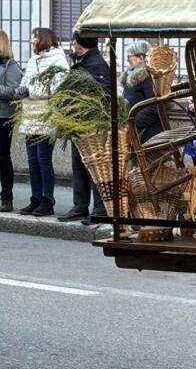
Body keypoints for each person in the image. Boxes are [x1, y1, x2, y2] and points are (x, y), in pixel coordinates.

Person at [59, 31, 113, 224]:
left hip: (91, 126)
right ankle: (79, 206)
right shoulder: (82, 62)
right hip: (78, 125)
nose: (72, 44)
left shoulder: (97, 64)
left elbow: (104, 96)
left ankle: (100, 210)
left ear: (80, 43)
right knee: (79, 166)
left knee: (95, 168)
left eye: (74, 40)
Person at [18, 28, 69, 217]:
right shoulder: (32, 61)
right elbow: (26, 81)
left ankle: (48, 200)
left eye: (35, 37)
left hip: (47, 114)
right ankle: (36, 198)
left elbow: (57, 88)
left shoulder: (58, 59)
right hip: (30, 114)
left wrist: (31, 91)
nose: (32, 41)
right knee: (32, 160)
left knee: (43, 159)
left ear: (44, 39)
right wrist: (21, 90)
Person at [0, 30, 28, 212]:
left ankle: (7, 198)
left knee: (2, 158)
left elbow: (13, 92)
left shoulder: (10, 65)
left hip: (3, 116)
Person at [121, 41, 161, 143]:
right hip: (134, 127)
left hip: (147, 132)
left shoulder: (147, 76)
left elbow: (154, 106)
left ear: (142, 58)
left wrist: (132, 122)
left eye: (130, 56)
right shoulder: (132, 75)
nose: (128, 60)